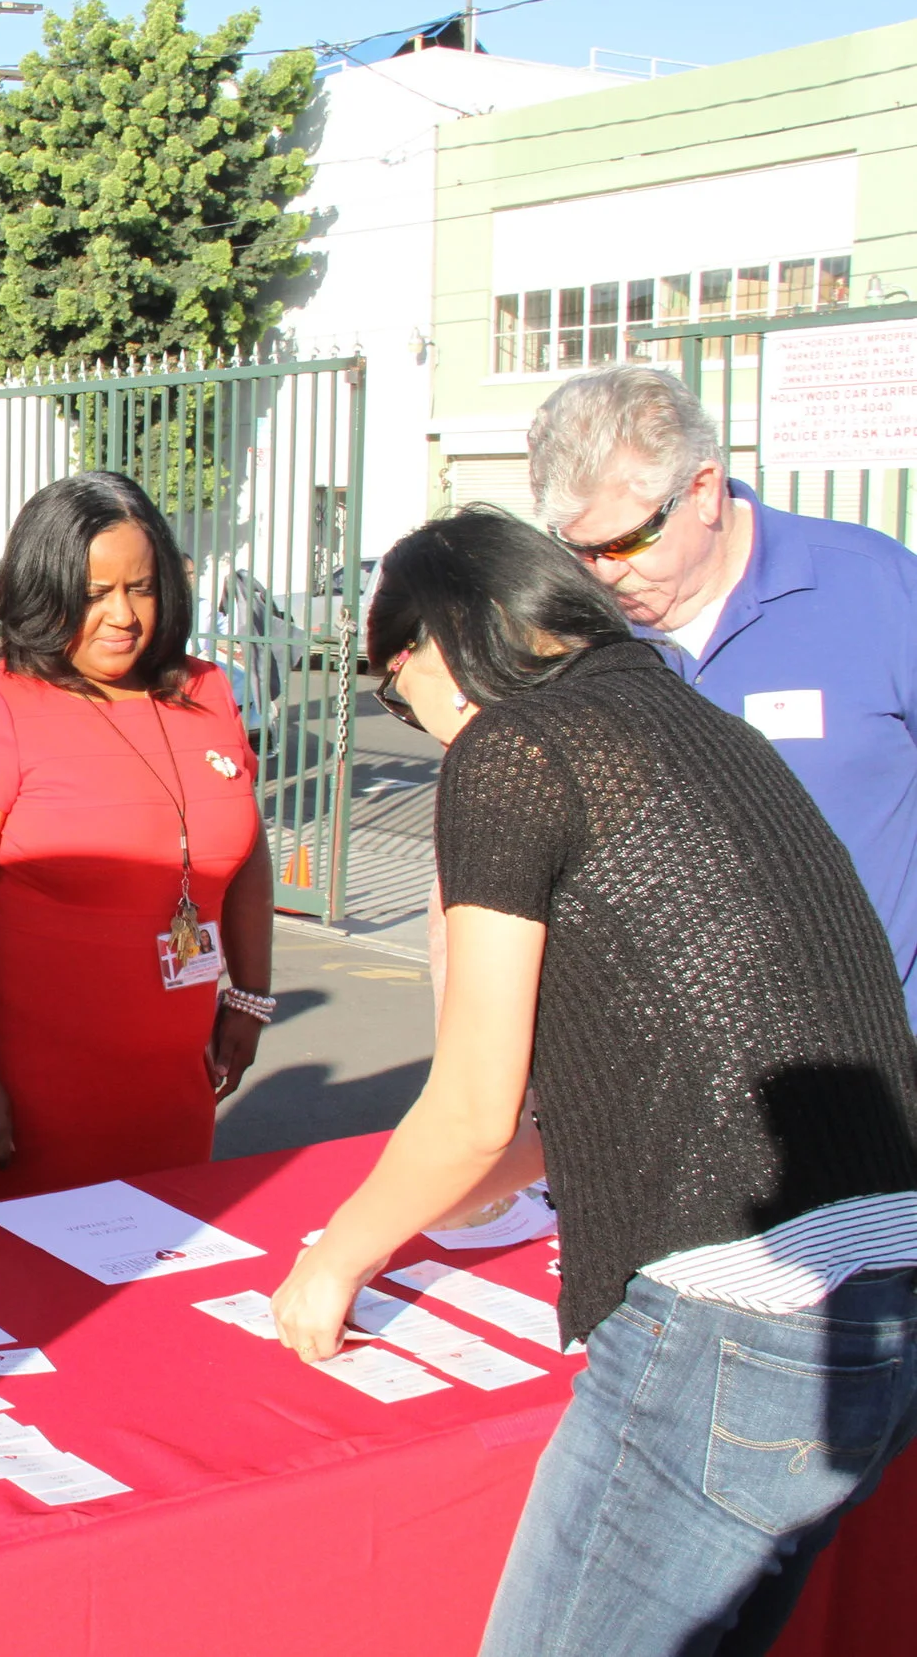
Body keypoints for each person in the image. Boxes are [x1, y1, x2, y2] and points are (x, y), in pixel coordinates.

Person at [271, 506, 917, 1656]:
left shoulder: (515, 748)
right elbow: (626, 1075)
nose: (406, 716)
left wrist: (336, 1259)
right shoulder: (692, 717)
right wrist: (469, 1184)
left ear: (435, 640)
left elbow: (473, 1104)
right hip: (880, 1296)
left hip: (735, 1318)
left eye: (389, 684)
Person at [0, 473, 273, 1207]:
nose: (122, 616)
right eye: (94, 592)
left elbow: (247, 848)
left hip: (174, 1085)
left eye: (141, 587)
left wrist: (251, 995)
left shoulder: (206, 693)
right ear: (44, 589)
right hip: (32, 1093)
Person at [530, 363, 917, 1023]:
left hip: (869, 1067)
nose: (605, 575)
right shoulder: (571, 634)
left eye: (625, 543)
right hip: (665, 1079)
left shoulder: (879, 589)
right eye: (579, 550)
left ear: (704, 489)